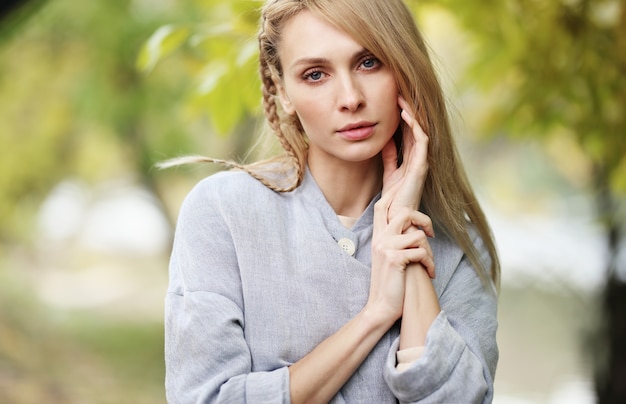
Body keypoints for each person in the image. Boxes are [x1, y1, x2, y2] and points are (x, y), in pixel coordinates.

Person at [164, 0, 500, 402]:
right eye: (316, 74)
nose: (350, 97)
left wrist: (404, 232)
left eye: (369, 62)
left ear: (405, 69)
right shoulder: (222, 212)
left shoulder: (455, 242)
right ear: (283, 91)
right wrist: (376, 313)